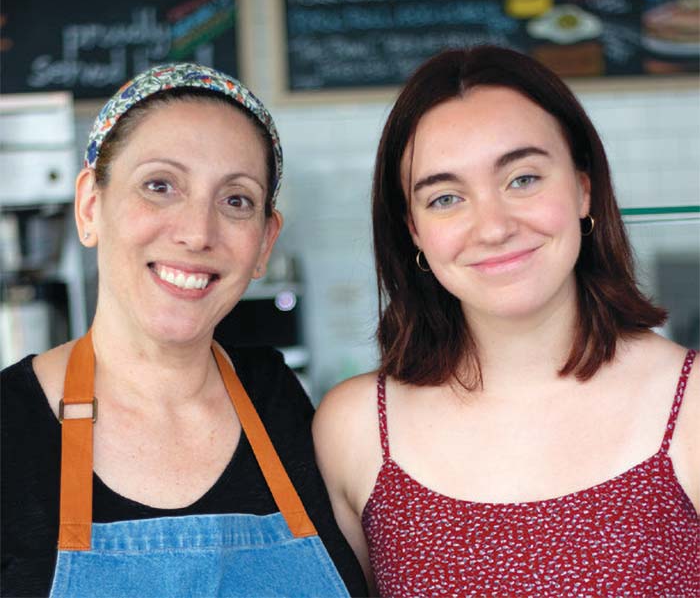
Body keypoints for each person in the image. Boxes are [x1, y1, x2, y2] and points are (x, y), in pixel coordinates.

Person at [313, 46, 699, 596]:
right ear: (415, 232)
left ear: (584, 188)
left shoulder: (691, 404)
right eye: (446, 198)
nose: (492, 227)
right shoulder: (353, 429)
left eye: (522, 179)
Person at [1, 63, 367, 598]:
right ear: (89, 207)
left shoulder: (281, 400)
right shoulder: (9, 425)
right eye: (159, 185)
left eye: (236, 199)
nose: (198, 232)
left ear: (265, 242)